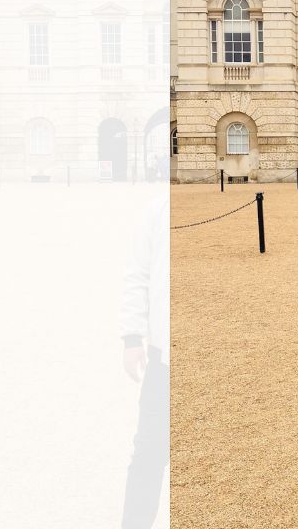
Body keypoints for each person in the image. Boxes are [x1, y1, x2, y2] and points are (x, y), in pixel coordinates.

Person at [120, 191, 170, 529]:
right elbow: (137, 275)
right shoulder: (156, 209)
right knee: (149, 452)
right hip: (162, 360)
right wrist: (132, 337)